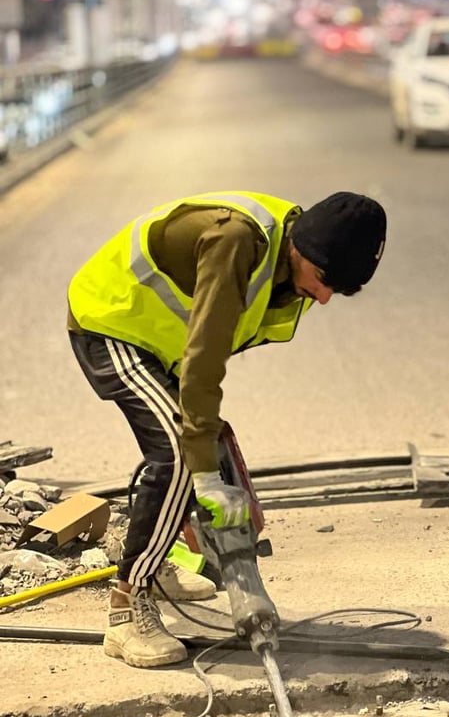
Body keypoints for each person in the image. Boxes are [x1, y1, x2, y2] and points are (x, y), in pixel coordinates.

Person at [68, 190, 387, 667]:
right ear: (302, 248)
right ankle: (126, 608)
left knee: (193, 443)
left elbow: (208, 365)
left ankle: (155, 562)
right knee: (180, 450)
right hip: (111, 322)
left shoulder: (288, 262)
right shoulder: (235, 244)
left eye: (336, 291)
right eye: (323, 281)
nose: (323, 298)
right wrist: (205, 472)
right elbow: (204, 359)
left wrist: (208, 446)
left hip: (160, 342)